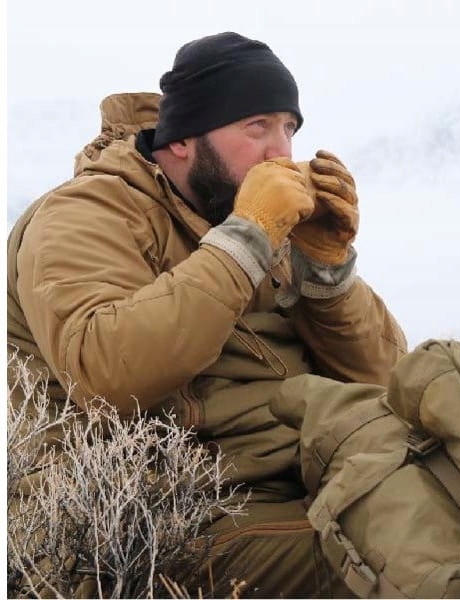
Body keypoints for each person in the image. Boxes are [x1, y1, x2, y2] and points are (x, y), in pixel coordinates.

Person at [7, 32, 406, 597]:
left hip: (300, 482)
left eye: (289, 128)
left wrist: (327, 271)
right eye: (257, 127)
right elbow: (106, 371)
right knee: (414, 562)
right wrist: (247, 240)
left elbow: (387, 383)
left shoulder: (252, 217)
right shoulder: (82, 213)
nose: (281, 153)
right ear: (182, 140)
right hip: (154, 522)